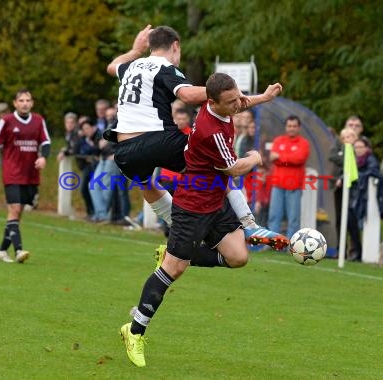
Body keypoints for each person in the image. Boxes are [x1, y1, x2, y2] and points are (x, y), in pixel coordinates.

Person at [119, 72, 282, 367]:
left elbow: (241, 102)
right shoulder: (212, 132)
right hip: (192, 207)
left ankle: (175, 256)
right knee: (173, 271)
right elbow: (233, 170)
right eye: (231, 102)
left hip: (215, 202)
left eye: (237, 97)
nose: (237, 105)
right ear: (212, 102)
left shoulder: (222, 106)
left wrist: (265, 98)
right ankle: (134, 330)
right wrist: (257, 157)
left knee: (238, 257)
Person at [105, 24, 287, 249]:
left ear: (150, 46)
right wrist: (240, 95)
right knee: (215, 164)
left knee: (147, 184)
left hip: (124, 151)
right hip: (157, 139)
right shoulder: (164, 66)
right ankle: (248, 223)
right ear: (176, 46)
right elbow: (189, 95)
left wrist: (135, 49)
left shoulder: (132, 66)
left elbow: (112, 67)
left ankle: (177, 227)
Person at [0, 88, 51, 263]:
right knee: (14, 209)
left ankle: (1, 250)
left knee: (17, 214)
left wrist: (43, 158)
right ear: (15, 103)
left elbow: (46, 142)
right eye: (21, 100)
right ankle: (19, 251)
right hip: (12, 173)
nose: (24, 103)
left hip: (30, 174)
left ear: (32, 103)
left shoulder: (38, 121)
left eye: (27, 100)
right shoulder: (6, 121)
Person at [267, 115, 310, 238]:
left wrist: (280, 157)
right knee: (274, 216)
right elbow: (272, 158)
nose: (292, 128)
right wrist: (289, 157)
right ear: (286, 127)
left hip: (294, 185)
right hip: (278, 184)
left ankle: (291, 245)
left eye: (294, 126)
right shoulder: (278, 140)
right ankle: (272, 243)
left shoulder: (304, 143)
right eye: (289, 126)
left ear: (299, 128)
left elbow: (299, 159)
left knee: (293, 218)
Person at [328, 127, 358, 250]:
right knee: (339, 218)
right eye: (344, 138)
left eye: (349, 137)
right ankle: (341, 249)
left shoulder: (358, 149)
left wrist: (342, 176)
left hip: (353, 188)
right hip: (338, 186)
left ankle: (356, 250)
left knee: (352, 220)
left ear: (355, 138)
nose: (346, 140)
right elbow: (332, 156)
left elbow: (353, 166)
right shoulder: (342, 149)